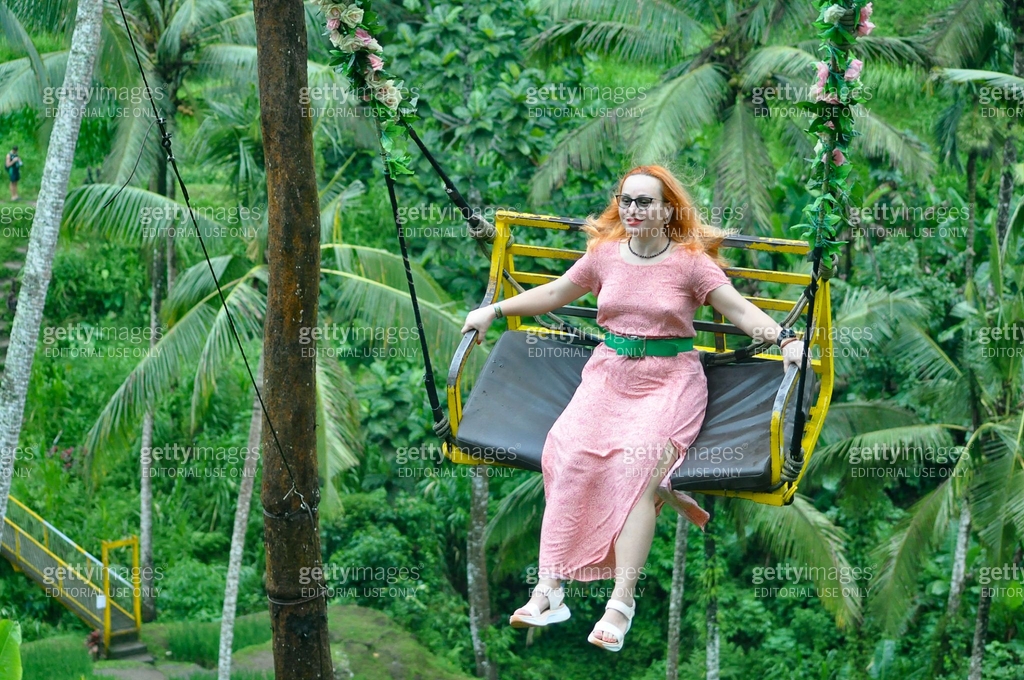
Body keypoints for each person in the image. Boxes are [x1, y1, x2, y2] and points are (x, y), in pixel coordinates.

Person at [459, 164, 805, 652]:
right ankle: (549, 588)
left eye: (646, 202)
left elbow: (740, 311)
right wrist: (493, 311)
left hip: (670, 381)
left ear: (667, 211)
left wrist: (786, 337)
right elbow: (556, 292)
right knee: (566, 451)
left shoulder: (688, 262)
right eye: (627, 200)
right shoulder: (604, 255)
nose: (635, 210)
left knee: (641, 469)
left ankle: (620, 604)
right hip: (609, 374)